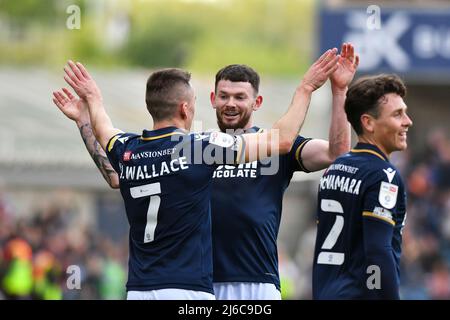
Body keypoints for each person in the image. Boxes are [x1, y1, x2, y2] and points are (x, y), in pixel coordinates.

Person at [53, 49, 340, 299]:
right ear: (188, 107)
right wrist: (306, 88)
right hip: (190, 286)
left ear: (257, 101)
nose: (230, 103)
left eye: (240, 97)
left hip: (145, 286)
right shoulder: (200, 148)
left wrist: (88, 111)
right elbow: (281, 140)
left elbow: (108, 148)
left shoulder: (131, 149)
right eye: (224, 96)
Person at [312, 74, 413, 299]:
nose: (408, 121)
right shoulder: (383, 176)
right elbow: (377, 252)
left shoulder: (334, 168)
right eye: (398, 114)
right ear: (368, 123)